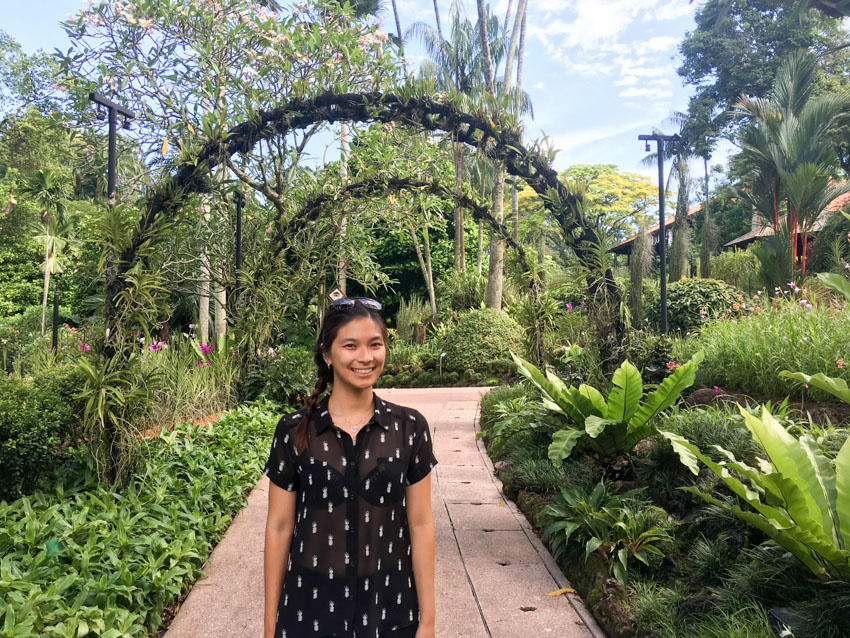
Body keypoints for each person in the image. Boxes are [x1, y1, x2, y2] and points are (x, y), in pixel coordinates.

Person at [263, 297, 438, 638]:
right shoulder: (294, 430)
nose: (365, 357)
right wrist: (270, 624)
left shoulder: (410, 427)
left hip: (390, 609)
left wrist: (427, 622)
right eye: (350, 345)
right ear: (327, 354)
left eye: (375, 344)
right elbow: (279, 527)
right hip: (308, 611)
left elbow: (420, 524)